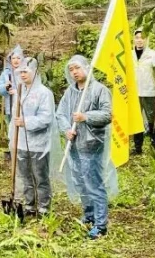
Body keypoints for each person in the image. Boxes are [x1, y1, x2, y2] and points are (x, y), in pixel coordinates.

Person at [56, 55, 117, 240]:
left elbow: (107, 115)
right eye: (71, 69)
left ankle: (101, 224)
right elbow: (60, 113)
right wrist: (66, 129)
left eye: (77, 68)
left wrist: (86, 117)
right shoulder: (70, 92)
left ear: (86, 68)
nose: (74, 72)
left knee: (93, 183)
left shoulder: (99, 90)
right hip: (74, 144)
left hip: (92, 145)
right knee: (80, 181)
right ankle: (89, 214)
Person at [11, 57, 61, 217]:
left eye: (26, 71)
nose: (22, 75)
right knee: (25, 176)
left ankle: (44, 207)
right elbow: (14, 117)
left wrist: (26, 122)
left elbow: (46, 118)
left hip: (39, 144)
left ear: (35, 72)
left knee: (40, 177)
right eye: (20, 72)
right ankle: (29, 205)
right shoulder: (20, 92)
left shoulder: (44, 93)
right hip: (21, 142)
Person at [132, 29, 155, 154]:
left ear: (146, 39)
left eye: (142, 38)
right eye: (137, 37)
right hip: (134, 93)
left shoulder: (153, 55)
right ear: (134, 39)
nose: (140, 40)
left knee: (152, 119)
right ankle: (137, 147)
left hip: (149, 92)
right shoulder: (129, 55)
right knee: (136, 119)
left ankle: (154, 146)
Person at [0, 45, 25, 160]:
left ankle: (21, 148)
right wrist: (6, 87)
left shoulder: (25, 71)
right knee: (11, 126)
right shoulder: (6, 73)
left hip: (23, 106)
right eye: (13, 58)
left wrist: (18, 92)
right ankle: (12, 148)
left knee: (22, 126)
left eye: (18, 58)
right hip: (10, 104)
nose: (16, 60)